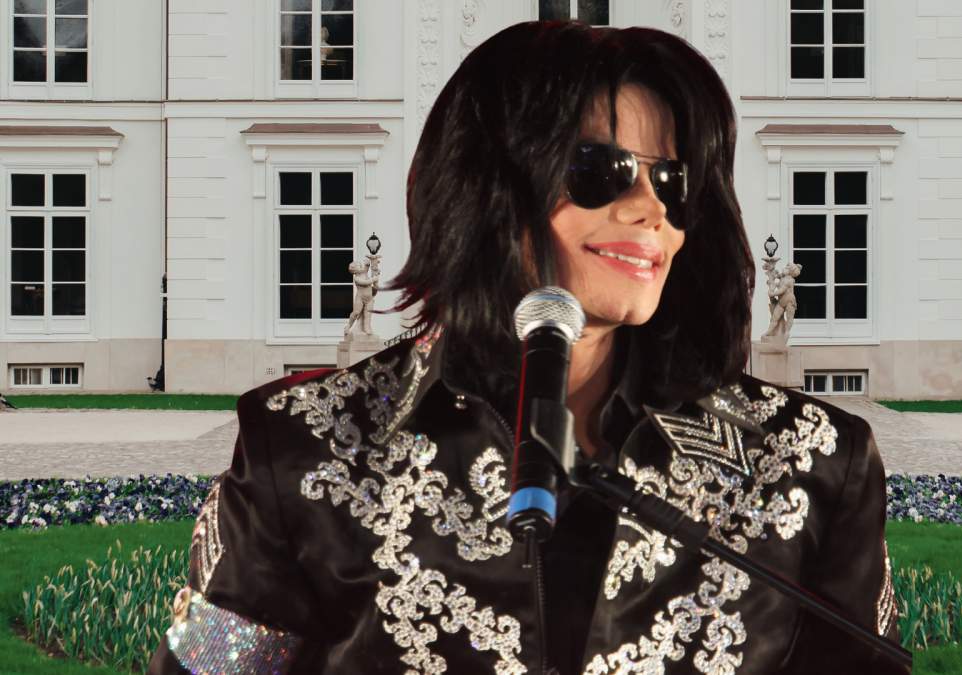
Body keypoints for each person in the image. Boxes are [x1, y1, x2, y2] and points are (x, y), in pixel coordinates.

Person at [149, 20, 905, 674]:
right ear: (488, 186)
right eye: (603, 171)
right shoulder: (304, 449)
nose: (650, 210)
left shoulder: (811, 461)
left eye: (672, 181)